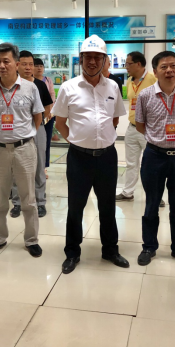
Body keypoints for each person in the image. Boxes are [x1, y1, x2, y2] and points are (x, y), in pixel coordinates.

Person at [53, 35, 129, 274]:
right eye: (88, 57)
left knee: (107, 206)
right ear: (81, 59)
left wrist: (101, 139)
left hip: (107, 157)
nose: (93, 62)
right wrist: (78, 141)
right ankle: (72, 253)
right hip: (79, 158)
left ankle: (110, 250)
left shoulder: (113, 86)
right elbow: (60, 122)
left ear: (105, 60)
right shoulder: (68, 87)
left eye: (98, 57)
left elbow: (115, 119)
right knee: (76, 207)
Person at [135, 51, 175, 267]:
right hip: (154, 156)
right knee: (151, 204)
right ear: (155, 71)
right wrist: (158, 138)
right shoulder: (145, 95)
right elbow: (140, 125)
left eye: (173, 65)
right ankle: (149, 247)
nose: (169, 70)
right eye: (164, 67)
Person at [0, 43, 44, 258]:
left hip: (24, 149)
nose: (1, 65)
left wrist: (24, 137)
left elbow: (37, 118)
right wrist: (2, 137)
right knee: (0, 199)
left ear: (16, 64)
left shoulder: (30, 88)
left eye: (6, 61)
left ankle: (31, 240)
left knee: (28, 199)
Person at [115, 51, 164, 207]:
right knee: (131, 163)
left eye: (128, 64)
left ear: (138, 64)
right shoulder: (129, 81)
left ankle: (156, 196)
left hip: (149, 129)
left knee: (152, 164)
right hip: (132, 127)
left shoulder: (153, 79)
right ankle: (127, 192)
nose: (126, 67)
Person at [10, 51, 52, 218]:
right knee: (17, 166)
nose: (28, 68)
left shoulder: (40, 85)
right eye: (24, 64)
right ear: (17, 65)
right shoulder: (12, 85)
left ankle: (40, 202)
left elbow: (47, 108)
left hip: (37, 129)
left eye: (31, 64)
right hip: (17, 130)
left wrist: (36, 123)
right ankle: (17, 202)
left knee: (39, 165)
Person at [34, 58, 56, 172]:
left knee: (45, 142)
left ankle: (43, 167)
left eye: (41, 66)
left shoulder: (47, 80)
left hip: (47, 116)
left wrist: (50, 111)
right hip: (34, 115)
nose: (39, 68)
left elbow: (52, 95)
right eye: (36, 66)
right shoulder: (29, 81)